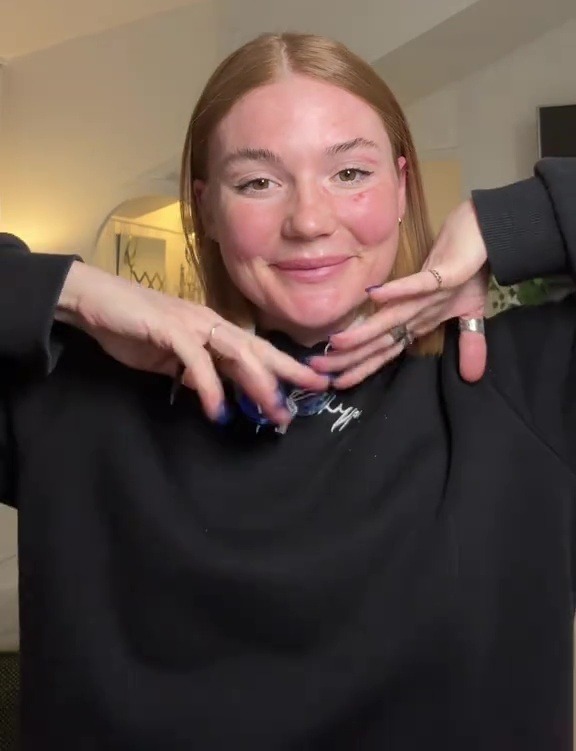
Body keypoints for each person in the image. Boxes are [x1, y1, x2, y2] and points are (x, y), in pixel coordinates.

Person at [0, 31, 575, 750]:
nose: (308, 220)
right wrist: (69, 291)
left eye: (350, 173)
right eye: (257, 182)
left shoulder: (519, 383)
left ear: (403, 187)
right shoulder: (66, 393)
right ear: (204, 209)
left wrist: (514, 221)